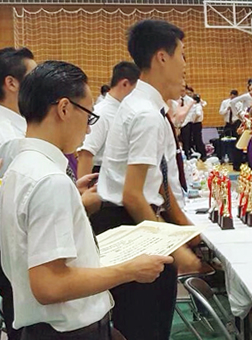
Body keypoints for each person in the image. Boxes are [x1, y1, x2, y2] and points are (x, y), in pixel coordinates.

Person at [0, 60, 172, 340]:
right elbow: (49, 285)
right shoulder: (49, 181)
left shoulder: (21, 167)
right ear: (64, 108)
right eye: (88, 116)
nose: (89, 130)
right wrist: (129, 270)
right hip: (68, 331)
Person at [91, 19, 197, 340]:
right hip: (132, 226)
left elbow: (160, 186)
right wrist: (176, 249)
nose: (185, 65)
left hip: (138, 222)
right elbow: (134, 195)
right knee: (144, 328)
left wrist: (185, 230)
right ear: (162, 57)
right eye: (182, 55)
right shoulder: (146, 114)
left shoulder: (145, 107)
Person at [0, 46, 36, 340]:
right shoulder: (8, 135)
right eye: (33, 76)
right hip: (14, 243)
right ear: (11, 83)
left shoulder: (18, 126)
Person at [77, 61, 140, 178]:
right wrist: (82, 192)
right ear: (125, 84)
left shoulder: (125, 110)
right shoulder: (102, 113)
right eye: (136, 89)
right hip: (100, 175)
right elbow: (86, 154)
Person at [190, 93, 207, 160]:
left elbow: (198, 113)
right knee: (196, 139)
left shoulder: (197, 106)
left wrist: (194, 120)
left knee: (198, 139)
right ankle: (199, 153)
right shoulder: (198, 105)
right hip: (196, 124)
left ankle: (203, 154)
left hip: (196, 124)